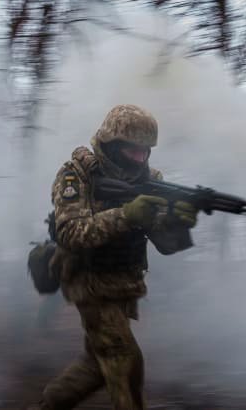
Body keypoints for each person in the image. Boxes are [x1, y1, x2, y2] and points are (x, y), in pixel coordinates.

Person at [34, 104, 198, 409]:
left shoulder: (151, 179)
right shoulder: (77, 175)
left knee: (96, 366)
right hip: (87, 279)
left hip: (123, 284)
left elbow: (166, 244)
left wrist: (178, 221)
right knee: (124, 362)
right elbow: (70, 233)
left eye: (146, 151)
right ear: (111, 144)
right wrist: (127, 215)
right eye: (132, 150)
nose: (140, 158)